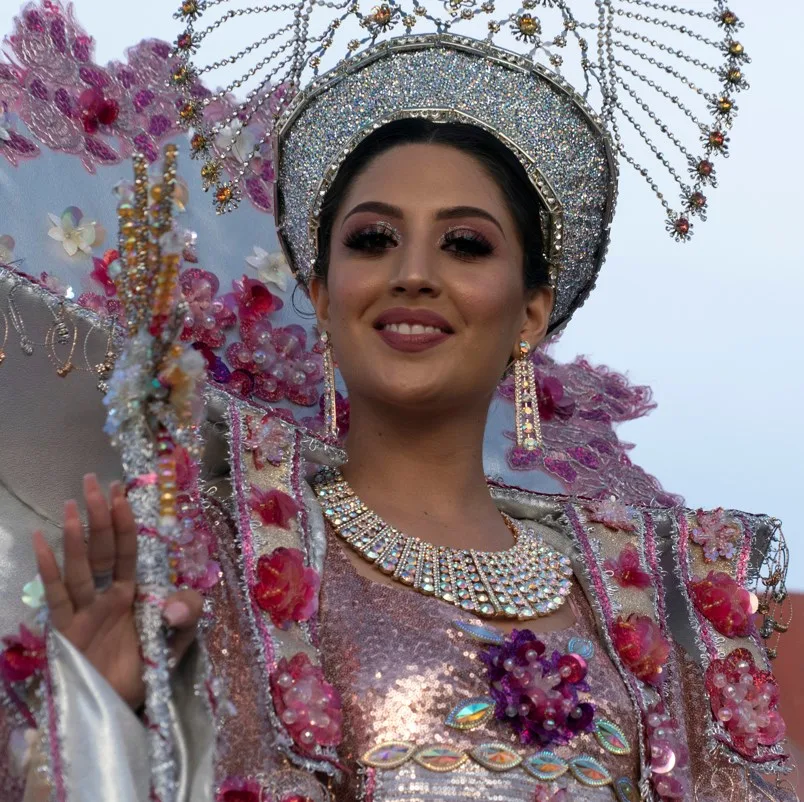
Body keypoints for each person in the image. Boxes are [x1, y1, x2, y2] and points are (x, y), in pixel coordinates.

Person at [0, 3, 795, 802]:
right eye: (373, 239)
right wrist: (98, 717)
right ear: (322, 292)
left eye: (465, 244)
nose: (412, 273)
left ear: (530, 313)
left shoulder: (647, 599)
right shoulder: (214, 562)